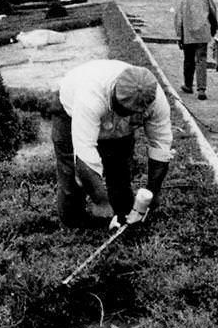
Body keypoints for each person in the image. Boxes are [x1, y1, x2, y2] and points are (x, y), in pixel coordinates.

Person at [51, 59, 172, 230]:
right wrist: (101, 203)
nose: (125, 116)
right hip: (70, 110)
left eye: (132, 113)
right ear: (114, 93)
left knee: (119, 166)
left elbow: (161, 147)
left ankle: (124, 218)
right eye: (122, 110)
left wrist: (153, 191)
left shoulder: (155, 100)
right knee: (70, 172)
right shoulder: (89, 96)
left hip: (105, 109)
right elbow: (84, 158)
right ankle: (74, 226)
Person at [174, 0, 218, 99]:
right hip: (203, 32)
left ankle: (188, 85)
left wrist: (179, 35)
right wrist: (213, 28)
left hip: (187, 33)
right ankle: (201, 89)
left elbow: (178, 18)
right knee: (201, 59)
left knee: (188, 59)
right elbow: (213, 13)